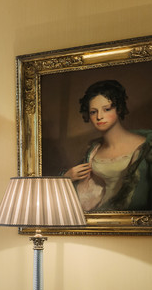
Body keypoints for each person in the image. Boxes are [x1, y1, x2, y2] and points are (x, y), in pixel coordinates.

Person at [64, 79, 152, 212]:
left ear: (119, 109)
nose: (99, 117)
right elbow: (79, 190)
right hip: (100, 219)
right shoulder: (93, 151)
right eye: (93, 112)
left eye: (107, 109)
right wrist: (66, 178)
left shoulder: (146, 147)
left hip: (131, 222)